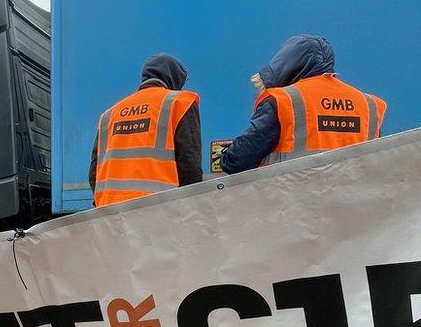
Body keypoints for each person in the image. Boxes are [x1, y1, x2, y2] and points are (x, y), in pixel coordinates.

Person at [221, 35, 386, 173]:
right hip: (356, 205)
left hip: (295, 205)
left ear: (285, 65)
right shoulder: (369, 104)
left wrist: (228, 153)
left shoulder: (283, 101)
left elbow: (237, 162)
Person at [89, 53, 202, 207]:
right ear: (175, 79)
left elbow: (94, 172)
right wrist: (191, 206)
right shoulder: (179, 103)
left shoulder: (109, 115)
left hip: (111, 214)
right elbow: (189, 163)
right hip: (160, 211)